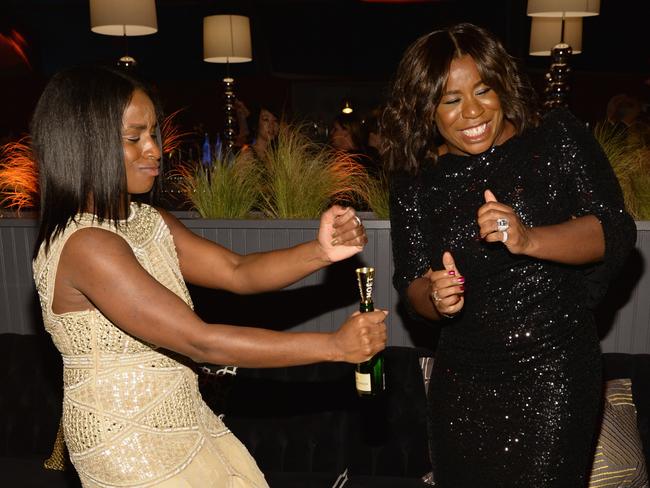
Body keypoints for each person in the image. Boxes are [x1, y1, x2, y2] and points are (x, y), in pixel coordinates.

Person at [30, 65, 387, 488]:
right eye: (134, 138)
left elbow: (237, 271)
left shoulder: (148, 220)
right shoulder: (87, 244)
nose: (154, 149)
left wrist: (320, 251)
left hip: (184, 418)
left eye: (154, 134)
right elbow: (200, 340)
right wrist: (333, 346)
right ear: (85, 144)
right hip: (126, 441)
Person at [381, 23, 636, 487]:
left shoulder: (555, 138)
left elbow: (611, 230)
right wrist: (435, 297)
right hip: (463, 384)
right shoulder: (417, 183)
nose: (472, 111)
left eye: (483, 90)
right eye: (451, 99)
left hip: (554, 371)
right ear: (426, 108)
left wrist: (528, 238)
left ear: (503, 86)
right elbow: (411, 285)